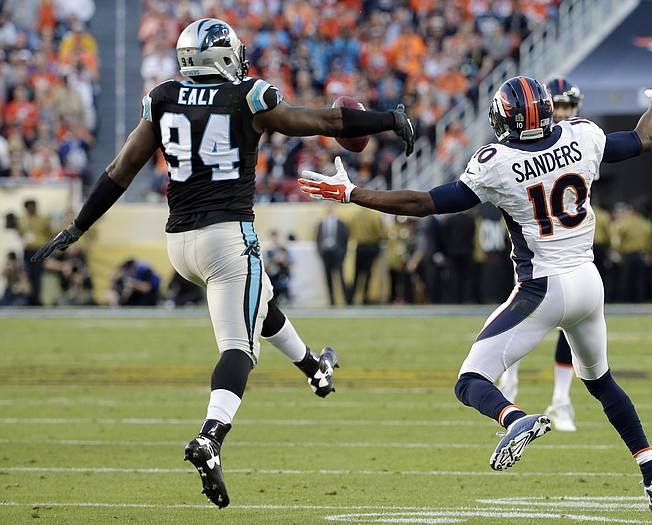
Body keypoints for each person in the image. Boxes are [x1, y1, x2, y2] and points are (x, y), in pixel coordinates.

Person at [31, 17, 415, 509]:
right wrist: (388, 119)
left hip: (179, 243)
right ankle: (210, 438)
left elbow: (118, 170)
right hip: (227, 235)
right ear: (223, 55)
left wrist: (79, 227)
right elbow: (326, 122)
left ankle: (315, 369)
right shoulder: (247, 96)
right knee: (239, 348)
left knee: (261, 304)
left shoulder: (163, 96)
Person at [299, 77, 652, 516]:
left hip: (544, 287)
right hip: (589, 284)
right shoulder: (583, 134)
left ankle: (515, 417)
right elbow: (646, 136)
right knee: (601, 382)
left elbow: (424, 202)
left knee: (470, 381)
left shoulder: (497, 161)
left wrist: (352, 194)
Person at [496, 76, 584, 431]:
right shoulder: (521, 147)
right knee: (520, 315)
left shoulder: (579, 138)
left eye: (568, 107)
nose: (563, 113)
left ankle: (561, 400)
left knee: (572, 325)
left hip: (572, 248)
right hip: (534, 250)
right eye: (557, 106)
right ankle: (510, 383)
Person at [315, 203, 349, 306]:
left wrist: (342, 253)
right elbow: (318, 239)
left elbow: (345, 239)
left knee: (341, 277)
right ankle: (331, 301)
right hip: (326, 253)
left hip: (337, 253)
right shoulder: (321, 223)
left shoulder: (340, 223)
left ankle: (347, 300)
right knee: (328, 278)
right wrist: (321, 252)